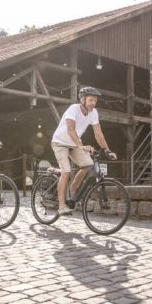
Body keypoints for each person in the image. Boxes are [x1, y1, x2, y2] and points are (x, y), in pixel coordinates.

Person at [50, 86, 117, 215]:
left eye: (95, 101)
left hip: (74, 144)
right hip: (60, 143)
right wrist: (81, 146)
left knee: (88, 165)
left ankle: (73, 190)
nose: (93, 103)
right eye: (91, 100)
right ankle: (61, 206)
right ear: (82, 100)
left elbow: (98, 133)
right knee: (66, 172)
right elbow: (71, 130)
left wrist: (107, 150)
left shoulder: (94, 113)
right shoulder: (73, 110)